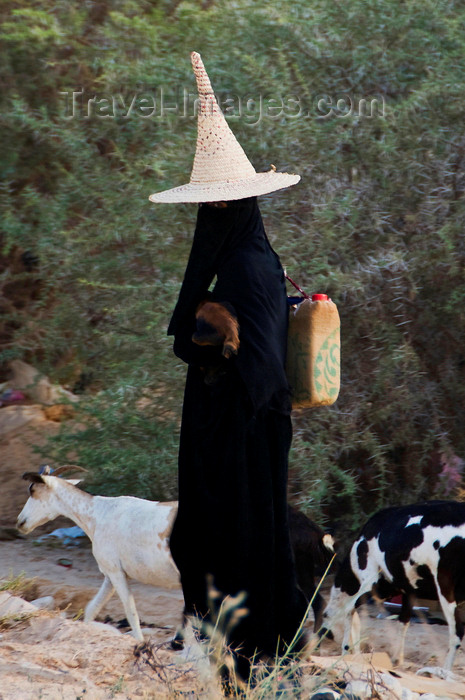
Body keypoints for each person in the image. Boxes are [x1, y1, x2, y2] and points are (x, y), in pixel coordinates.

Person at [149, 52, 307, 684]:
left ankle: (243, 652)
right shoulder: (260, 259)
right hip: (259, 424)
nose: (211, 217)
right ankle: (263, 648)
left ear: (235, 207)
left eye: (219, 207)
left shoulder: (240, 271)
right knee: (255, 531)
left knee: (234, 535)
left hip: (237, 431)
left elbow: (206, 346)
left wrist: (205, 327)